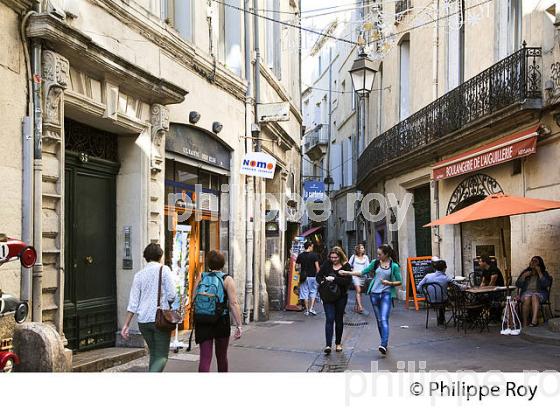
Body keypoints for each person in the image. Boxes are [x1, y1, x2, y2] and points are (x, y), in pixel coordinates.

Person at [121, 243, 176, 372]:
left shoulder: (139, 275)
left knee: (154, 354)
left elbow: (133, 303)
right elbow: (172, 294)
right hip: (160, 320)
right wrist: (168, 302)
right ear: (160, 256)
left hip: (143, 322)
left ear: (145, 257)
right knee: (162, 356)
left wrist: (126, 325)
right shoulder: (164, 270)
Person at [343, 244, 402, 355]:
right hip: (374, 294)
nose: (378, 256)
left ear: (387, 254)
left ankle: (383, 344)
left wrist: (389, 283)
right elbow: (362, 272)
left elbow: (400, 281)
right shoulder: (375, 263)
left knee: (384, 319)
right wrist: (347, 273)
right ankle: (383, 342)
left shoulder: (394, 266)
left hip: (386, 294)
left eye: (380, 254)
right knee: (379, 320)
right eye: (378, 254)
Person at [194, 250, 242, 372]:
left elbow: (194, 297)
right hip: (221, 320)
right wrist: (239, 325)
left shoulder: (201, 276)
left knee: (205, 358)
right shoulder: (227, 279)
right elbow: (233, 303)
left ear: (208, 264)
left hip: (203, 320)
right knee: (221, 357)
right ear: (222, 264)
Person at [316, 246, 353, 354]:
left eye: (335, 257)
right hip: (328, 296)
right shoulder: (327, 264)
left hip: (341, 296)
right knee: (329, 318)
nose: (333, 259)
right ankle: (328, 345)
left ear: (340, 256)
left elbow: (348, 282)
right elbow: (318, 276)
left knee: (338, 319)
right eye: (331, 257)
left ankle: (338, 343)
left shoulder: (346, 266)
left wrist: (335, 279)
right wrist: (322, 281)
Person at [417, 259, 464, 325]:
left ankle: (441, 318)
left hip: (430, 300)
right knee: (448, 298)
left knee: (442, 296)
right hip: (442, 300)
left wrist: (426, 293)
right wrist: (466, 286)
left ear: (435, 268)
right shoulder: (446, 278)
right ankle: (448, 317)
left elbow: (419, 287)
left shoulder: (428, 276)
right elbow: (458, 286)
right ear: (445, 268)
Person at [515, 256, 552, 327]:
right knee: (527, 298)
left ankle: (534, 320)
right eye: (532, 261)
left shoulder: (544, 273)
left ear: (539, 264)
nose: (532, 262)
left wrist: (539, 272)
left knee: (534, 296)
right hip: (526, 293)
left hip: (540, 293)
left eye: (535, 261)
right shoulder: (526, 272)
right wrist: (523, 276)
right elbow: (518, 284)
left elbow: (546, 284)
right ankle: (525, 323)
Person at [296, 240, 321, 316]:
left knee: (304, 293)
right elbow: (317, 268)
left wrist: (300, 271)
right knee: (313, 292)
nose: (312, 248)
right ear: (309, 246)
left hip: (303, 277)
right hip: (313, 276)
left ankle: (306, 310)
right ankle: (311, 309)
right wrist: (318, 275)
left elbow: (297, 267)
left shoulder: (300, 255)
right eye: (312, 246)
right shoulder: (314, 255)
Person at [348, 243, 370, 314]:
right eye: (362, 248)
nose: (363, 249)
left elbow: (368, 267)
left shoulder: (366, 257)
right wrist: (351, 271)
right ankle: (360, 306)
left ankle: (356, 306)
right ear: (358, 249)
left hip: (363, 276)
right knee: (358, 290)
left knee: (359, 292)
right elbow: (348, 265)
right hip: (355, 276)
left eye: (363, 248)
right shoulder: (353, 257)